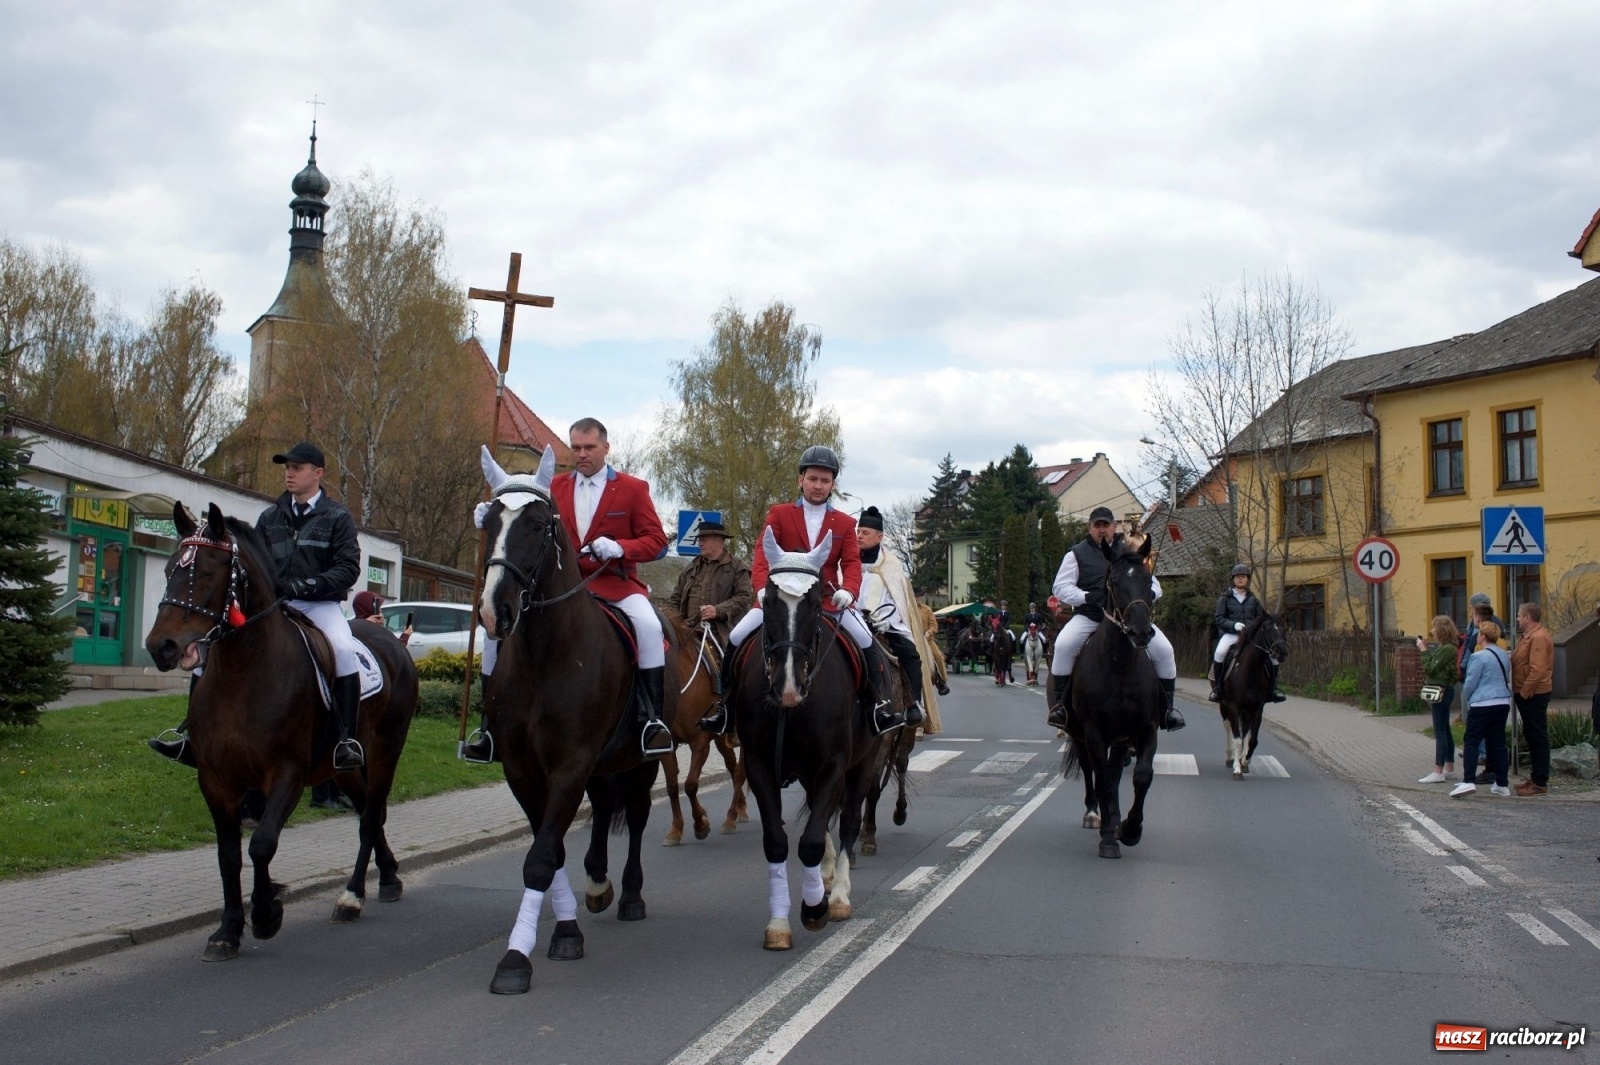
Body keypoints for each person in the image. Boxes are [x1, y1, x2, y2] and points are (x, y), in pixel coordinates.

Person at [148, 441, 367, 771]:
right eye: (286, 468)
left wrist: (304, 585)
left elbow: (348, 568)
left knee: (343, 649)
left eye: (297, 468)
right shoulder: (270, 517)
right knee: (207, 656)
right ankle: (192, 739)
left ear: (317, 474)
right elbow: (256, 565)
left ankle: (344, 742)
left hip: (319, 606)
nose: (289, 473)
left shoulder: (338, 518)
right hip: (273, 607)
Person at [698, 445, 912, 737]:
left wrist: (849, 591)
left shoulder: (846, 523)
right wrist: (761, 589)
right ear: (801, 479)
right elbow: (761, 555)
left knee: (865, 639)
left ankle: (878, 707)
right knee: (736, 637)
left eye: (825, 481)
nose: (818, 485)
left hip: (827, 600)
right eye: (813, 479)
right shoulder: (779, 514)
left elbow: (851, 562)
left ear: (833, 485)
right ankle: (726, 708)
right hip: (781, 600)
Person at [557, 418, 673, 756]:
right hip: (565, 585)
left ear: (606, 448)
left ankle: (651, 718)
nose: (581, 454)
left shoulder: (633, 488)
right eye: (576, 447)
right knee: (503, 627)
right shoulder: (554, 487)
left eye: (589, 447)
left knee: (650, 627)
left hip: (615, 584)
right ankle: (494, 722)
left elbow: (658, 543)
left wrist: (621, 547)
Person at [1045, 507, 1184, 732]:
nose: (1102, 530)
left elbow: (1154, 585)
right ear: (1090, 528)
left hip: (1127, 621)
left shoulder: (1130, 550)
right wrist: (1086, 597)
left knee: (1165, 651)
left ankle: (1167, 710)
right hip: (1090, 616)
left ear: (1114, 527)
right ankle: (1061, 707)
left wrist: (1145, 598)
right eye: (1097, 526)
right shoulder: (1077, 554)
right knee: (1063, 645)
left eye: (1106, 525)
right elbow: (1060, 587)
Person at [856, 505, 941, 733]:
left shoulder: (891, 565)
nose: (859, 536)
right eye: (858, 531)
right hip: (853, 619)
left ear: (879, 536)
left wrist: (884, 620)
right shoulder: (849, 560)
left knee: (910, 654)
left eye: (865, 532)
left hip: (885, 623)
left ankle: (912, 704)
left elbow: (898, 600)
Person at [668, 520, 753, 653]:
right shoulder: (690, 568)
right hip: (687, 632)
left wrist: (718, 610)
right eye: (699, 539)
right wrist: (672, 624)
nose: (699, 543)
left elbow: (744, 597)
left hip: (721, 633)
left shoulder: (737, 568)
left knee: (730, 666)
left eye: (704, 539)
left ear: (718, 540)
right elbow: (674, 599)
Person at [1451, 621, 1512, 798]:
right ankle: (1502, 783)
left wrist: (1469, 699)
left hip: (1482, 703)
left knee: (1472, 741)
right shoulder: (1503, 655)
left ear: (1483, 637)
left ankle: (1468, 781)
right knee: (1498, 742)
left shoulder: (1478, 657)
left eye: (1478, 634)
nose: (1477, 636)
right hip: (1502, 702)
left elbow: (1470, 683)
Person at [1207, 564, 1285, 703]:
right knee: (1219, 653)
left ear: (1247, 579)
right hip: (1231, 634)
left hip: (1250, 636)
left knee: (1272, 658)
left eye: (1243, 577)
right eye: (1238, 577)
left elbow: (1260, 619)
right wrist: (1233, 625)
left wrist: (1252, 629)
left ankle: (1272, 689)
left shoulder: (1253, 600)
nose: (1240, 579)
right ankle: (1218, 689)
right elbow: (1218, 619)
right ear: (1233, 580)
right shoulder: (1225, 598)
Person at [1511, 602, 1554, 796]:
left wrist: (1524, 692)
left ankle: (1539, 782)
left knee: (1537, 736)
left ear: (1528, 617)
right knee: (1532, 735)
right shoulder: (1529, 636)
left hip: (1534, 694)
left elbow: (1537, 670)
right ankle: (1536, 777)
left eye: (1520, 615)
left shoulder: (1538, 637)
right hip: (1528, 693)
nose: (1518, 618)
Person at [1415, 615, 1464, 784]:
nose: (1432, 630)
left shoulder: (1447, 649)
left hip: (1441, 691)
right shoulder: (1447, 648)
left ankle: (1438, 771)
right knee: (1446, 729)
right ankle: (1449, 767)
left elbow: (1430, 668)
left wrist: (1422, 650)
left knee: (1440, 731)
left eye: (1434, 627)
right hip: (1444, 690)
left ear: (1441, 630)